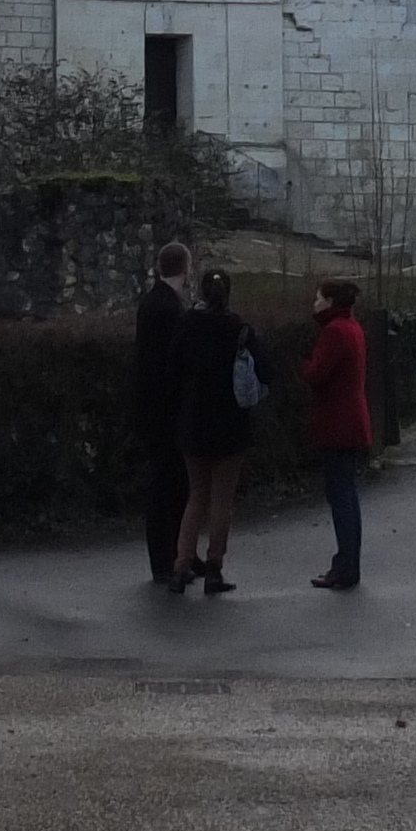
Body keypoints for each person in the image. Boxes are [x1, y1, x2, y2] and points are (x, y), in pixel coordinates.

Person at [170, 266, 262, 595]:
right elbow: (265, 369)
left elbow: (173, 366)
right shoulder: (239, 328)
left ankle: (181, 566)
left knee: (195, 497)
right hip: (230, 426)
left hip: (194, 423)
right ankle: (214, 568)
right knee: (222, 500)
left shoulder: (188, 324)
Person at [303, 277, 372, 589]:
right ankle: (348, 561)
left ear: (330, 302)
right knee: (347, 493)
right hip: (353, 420)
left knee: (340, 494)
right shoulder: (352, 328)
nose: (314, 304)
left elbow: (317, 374)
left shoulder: (334, 332)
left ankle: (345, 564)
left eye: (318, 299)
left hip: (337, 423)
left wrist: (302, 365)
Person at [132, 240, 193, 587]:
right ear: (184, 267)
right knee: (165, 486)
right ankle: (165, 558)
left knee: (173, 484)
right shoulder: (168, 308)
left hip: (156, 410)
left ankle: (176, 553)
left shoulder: (155, 303)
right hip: (164, 413)